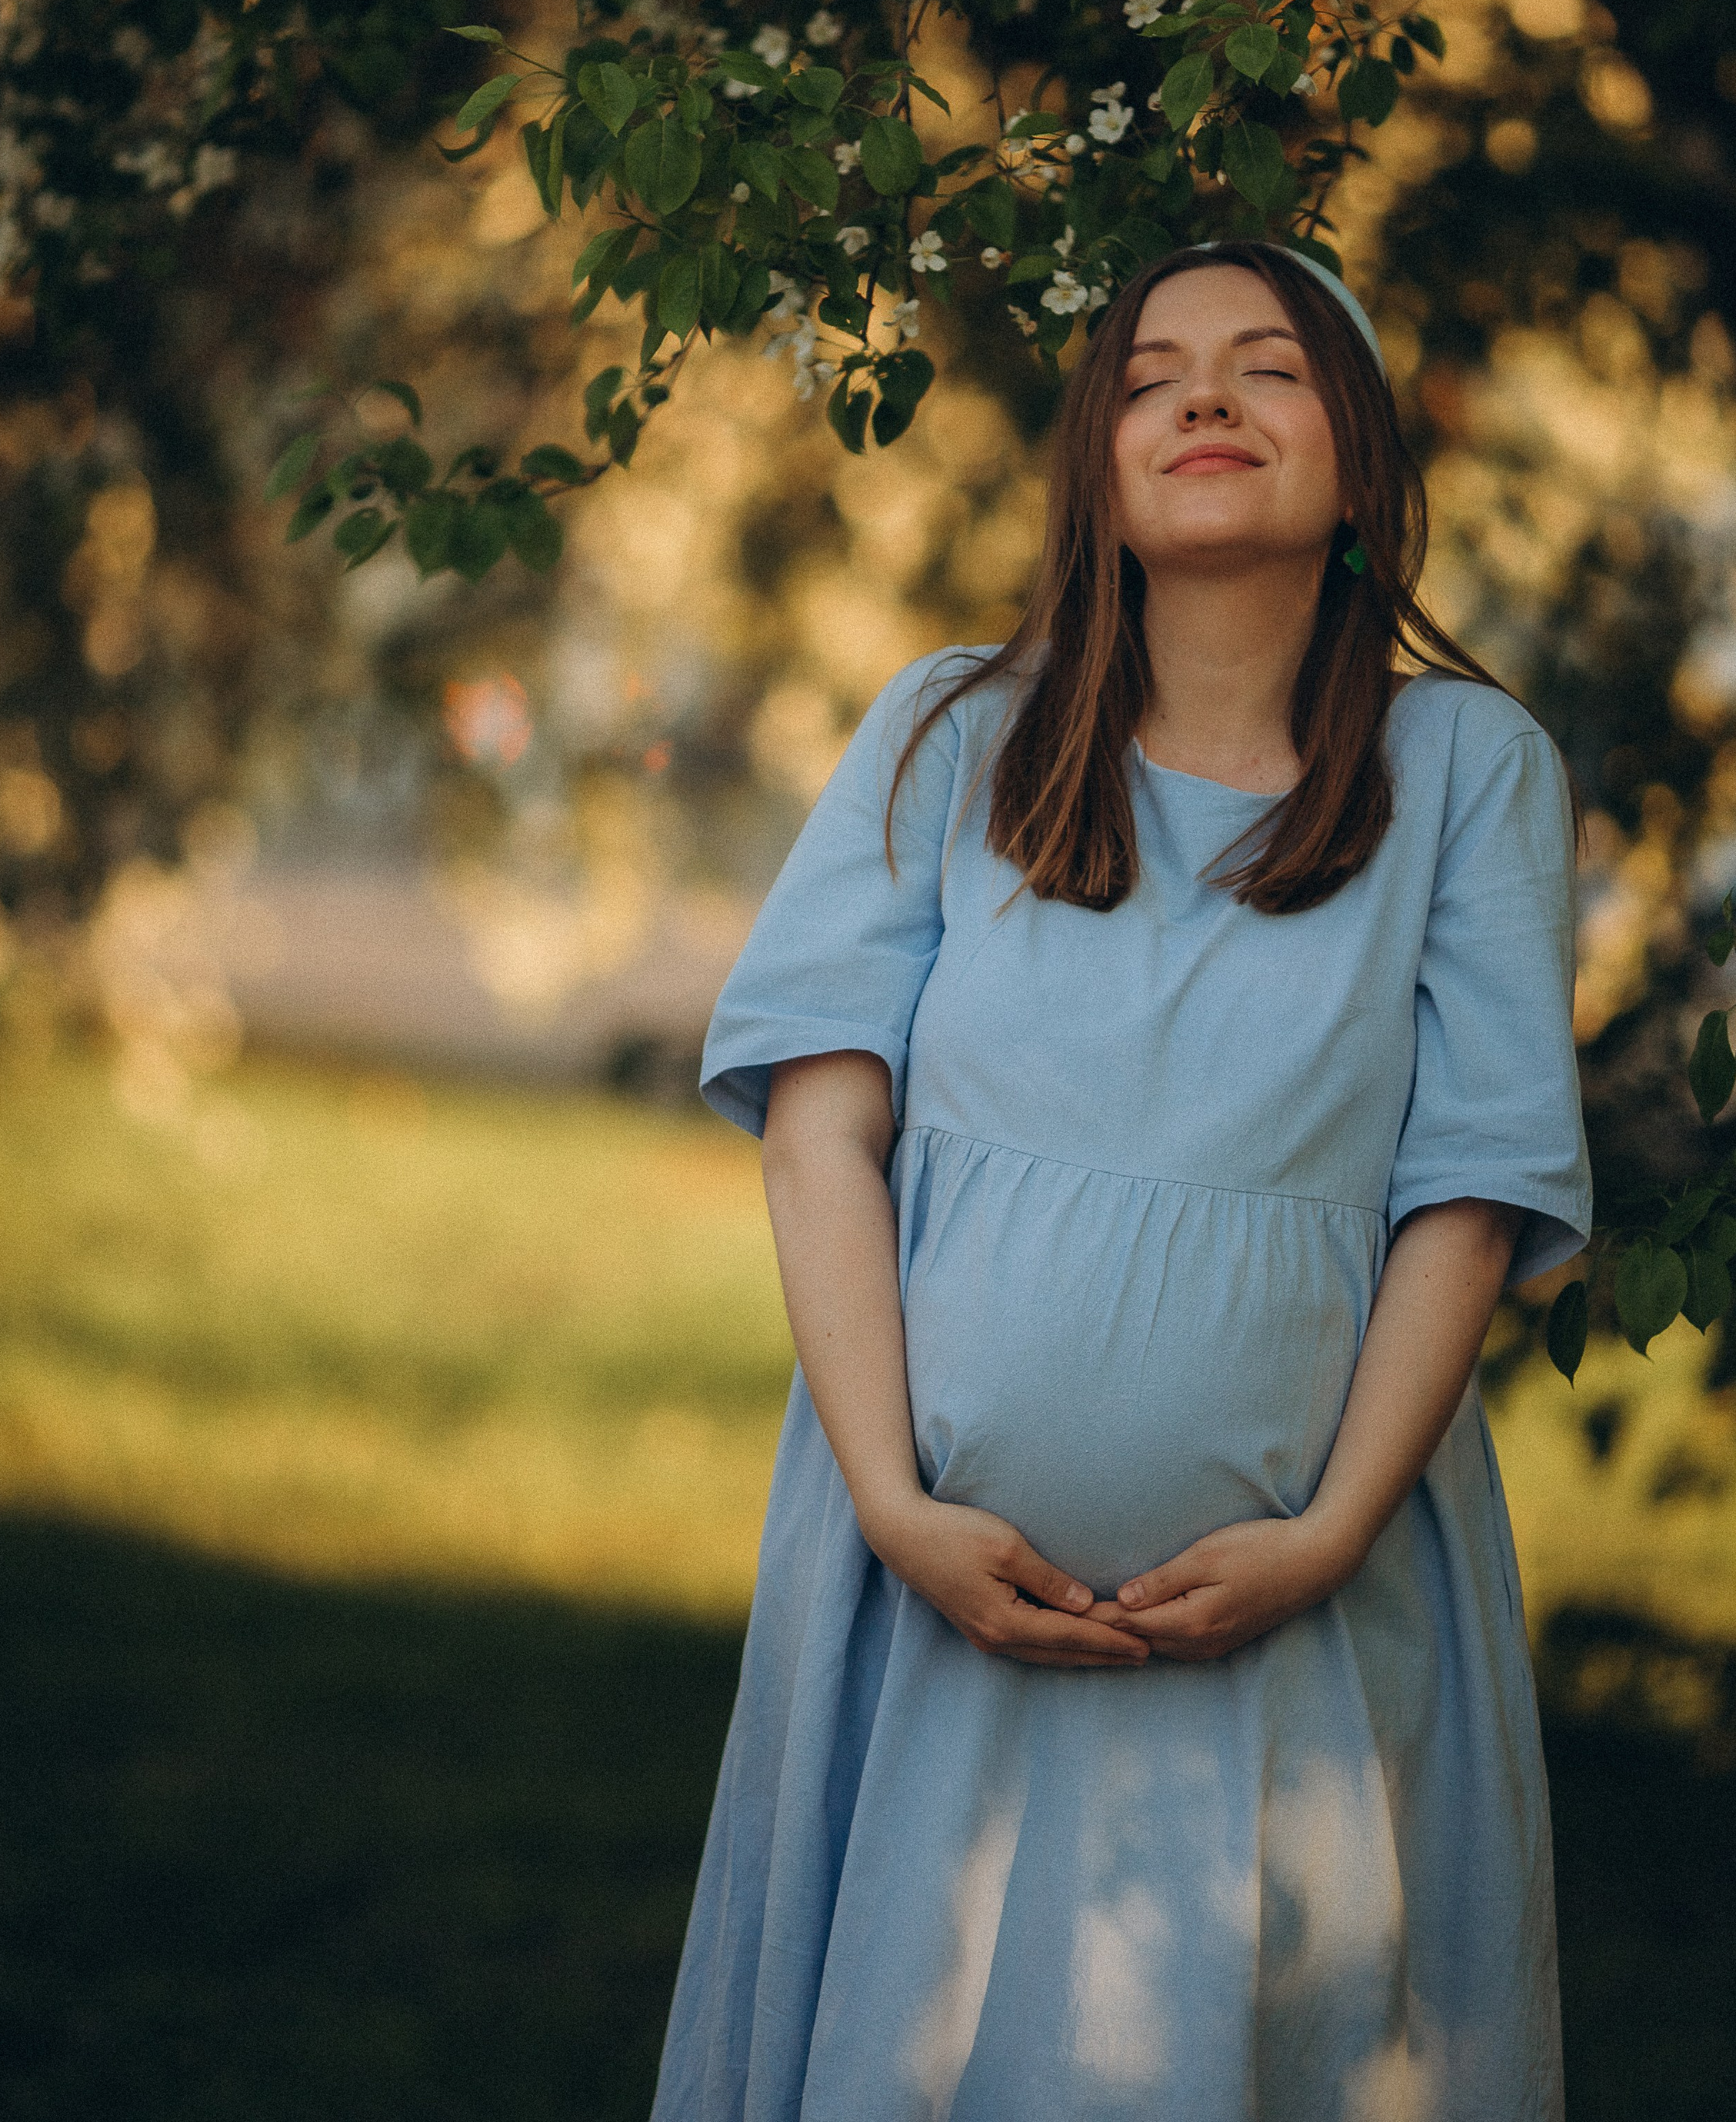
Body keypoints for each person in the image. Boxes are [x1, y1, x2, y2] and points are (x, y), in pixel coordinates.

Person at [652, 238, 1591, 2122]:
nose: (1203, 398)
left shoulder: (1461, 770)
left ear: (1364, 462)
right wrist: (895, 1503)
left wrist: (1320, 1539)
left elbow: (1466, 1197)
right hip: (929, 1604)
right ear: (1095, 461)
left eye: (1268, 367)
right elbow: (822, 1133)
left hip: (1295, 1625)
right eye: (1152, 374)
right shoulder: (951, 735)